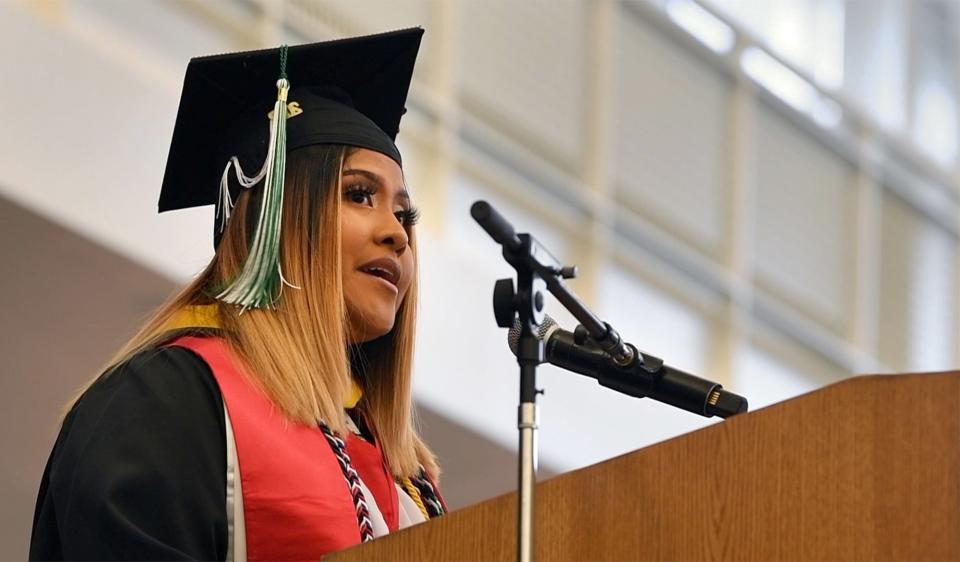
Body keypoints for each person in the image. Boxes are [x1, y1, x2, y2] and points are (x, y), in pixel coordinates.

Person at [29, 28, 446, 561]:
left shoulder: (410, 482)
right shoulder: (163, 405)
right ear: (273, 221)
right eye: (359, 194)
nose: (398, 233)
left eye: (404, 213)